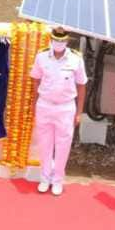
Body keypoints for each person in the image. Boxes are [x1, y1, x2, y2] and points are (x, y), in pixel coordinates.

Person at [29, 27, 87, 196]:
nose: (59, 43)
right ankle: (45, 178)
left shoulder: (76, 59)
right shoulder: (41, 57)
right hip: (45, 105)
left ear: (67, 41)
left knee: (63, 144)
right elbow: (35, 81)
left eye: (62, 41)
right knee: (44, 143)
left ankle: (58, 179)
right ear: (51, 39)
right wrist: (34, 105)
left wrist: (79, 112)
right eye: (56, 40)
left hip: (65, 107)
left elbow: (82, 86)